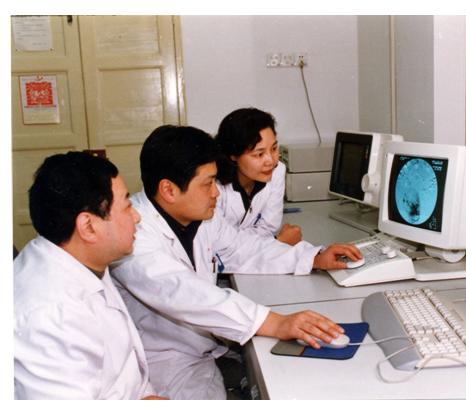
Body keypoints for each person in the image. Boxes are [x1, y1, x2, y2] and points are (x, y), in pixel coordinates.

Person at [110, 125, 361, 399]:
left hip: (205, 347)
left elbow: (243, 247)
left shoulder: (199, 217)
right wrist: (275, 323)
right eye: (207, 183)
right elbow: (183, 292)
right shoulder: (134, 235)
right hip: (166, 362)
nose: (216, 193)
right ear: (169, 190)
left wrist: (312, 257)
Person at [14, 152, 163, 399]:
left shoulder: (82, 257)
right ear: (88, 226)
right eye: (127, 206)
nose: (137, 217)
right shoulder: (49, 315)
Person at [215, 107, 301, 245]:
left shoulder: (277, 171)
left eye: (274, 149)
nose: (271, 161)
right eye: (259, 154)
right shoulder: (214, 186)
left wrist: (267, 242)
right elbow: (218, 243)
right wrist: (278, 242)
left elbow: (269, 227)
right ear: (233, 155)